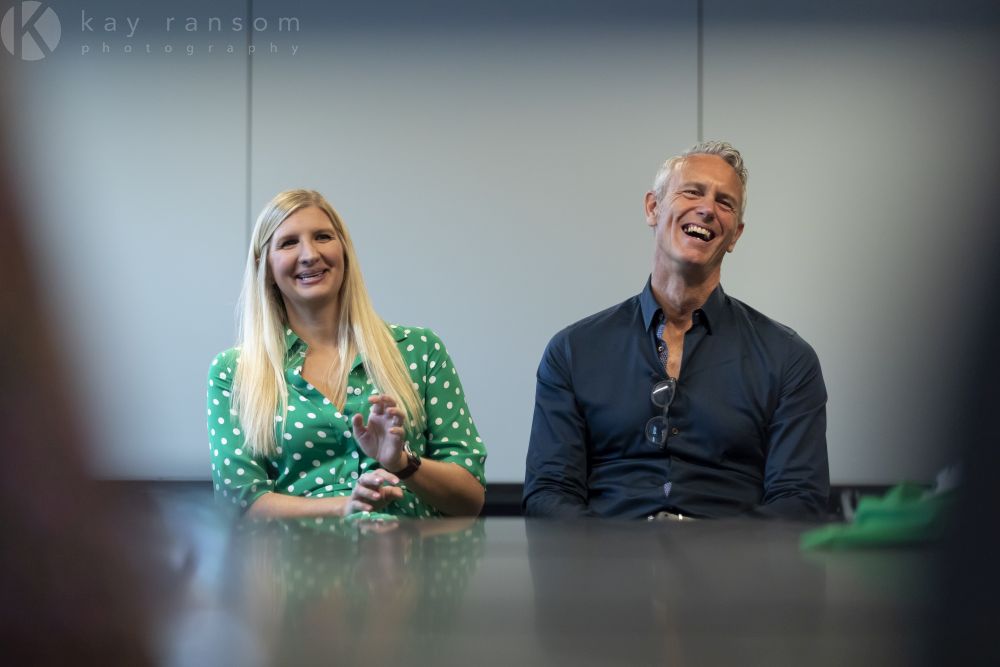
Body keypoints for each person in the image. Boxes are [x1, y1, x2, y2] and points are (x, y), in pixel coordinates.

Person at [523, 141, 828, 520]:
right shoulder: (573, 350)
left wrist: (721, 548)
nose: (707, 209)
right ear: (653, 208)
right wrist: (608, 548)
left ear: (735, 235)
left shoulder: (788, 358)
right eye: (693, 192)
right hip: (605, 552)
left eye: (725, 203)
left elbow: (798, 499)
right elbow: (549, 493)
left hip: (733, 555)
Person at [207, 190, 486, 518]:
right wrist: (347, 506)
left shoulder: (420, 350)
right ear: (264, 266)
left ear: (344, 250)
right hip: (300, 551)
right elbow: (240, 504)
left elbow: (471, 498)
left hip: (412, 549)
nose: (310, 254)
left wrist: (403, 463)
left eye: (322, 237)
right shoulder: (236, 371)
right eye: (289, 243)